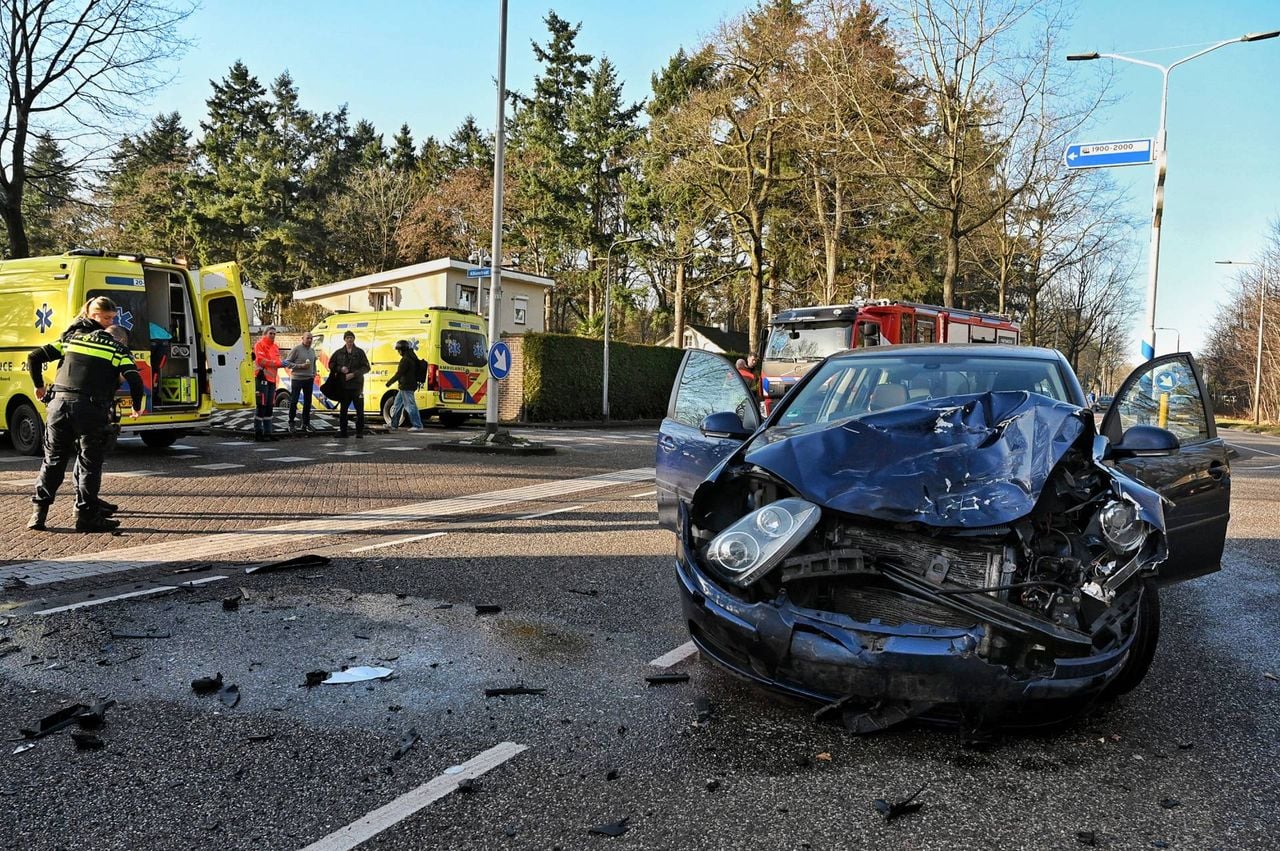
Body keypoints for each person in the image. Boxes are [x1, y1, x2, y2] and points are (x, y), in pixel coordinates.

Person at [26, 296, 143, 532]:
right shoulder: (117, 349)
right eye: (107, 317)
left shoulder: (72, 339)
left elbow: (34, 357)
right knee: (89, 463)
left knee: (53, 461)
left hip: (58, 406)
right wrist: (136, 405)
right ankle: (85, 516)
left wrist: (39, 385)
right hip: (89, 409)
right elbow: (135, 379)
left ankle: (38, 515)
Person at [328, 330, 370, 438]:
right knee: (343, 410)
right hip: (344, 386)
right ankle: (343, 431)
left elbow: (366, 367)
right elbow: (331, 364)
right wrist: (340, 368)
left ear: (354, 339)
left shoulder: (360, 352)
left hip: (357, 386)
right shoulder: (339, 352)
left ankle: (359, 432)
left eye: (351, 338)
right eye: (347, 338)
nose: (349, 340)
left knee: (360, 410)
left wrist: (354, 374)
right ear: (345, 339)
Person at [252, 326, 284, 441]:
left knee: (270, 406)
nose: (273, 336)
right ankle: (258, 432)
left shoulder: (275, 347)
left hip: (272, 380)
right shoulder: (259, 345)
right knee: (261, 405)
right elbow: (261, 360)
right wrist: (277, 363)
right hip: (262, 378)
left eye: (274, 334)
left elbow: (276, 362)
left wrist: (279, 363)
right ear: (265, 334)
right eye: (271, 333)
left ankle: (268, 432)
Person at [385, 339, 425, 432]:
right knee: (397, 405)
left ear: (402, 350)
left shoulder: (405, 360)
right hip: (406, 386)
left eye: (398, 350)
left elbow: (399, 373)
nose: (398, 352)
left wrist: (389, 382)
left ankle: (417, 425)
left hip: (407, 387)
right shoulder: (412, 357)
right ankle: (393, 424)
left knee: (410, 406)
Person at [284, 331, 318, 435]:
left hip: (308, 379)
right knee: (294, 400)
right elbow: (287, 363)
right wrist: (300, 366)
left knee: (308, 402)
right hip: (297, 379)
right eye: (308, 338)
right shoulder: (297, 349)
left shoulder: (312, 351)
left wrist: (314, 372)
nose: (309, 340)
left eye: (311, 338)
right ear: (302, 338)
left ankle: (306, 423)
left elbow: (314, 362)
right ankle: (291, 423)